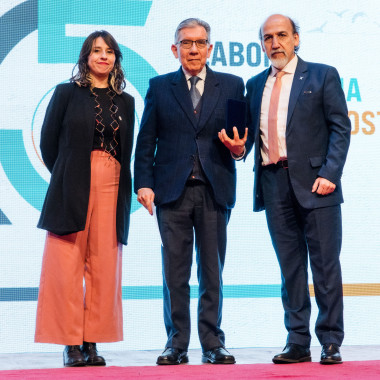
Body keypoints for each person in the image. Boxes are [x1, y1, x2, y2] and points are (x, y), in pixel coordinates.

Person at [134, 18, 247, 365]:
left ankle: (213, 342)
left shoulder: (232, 84)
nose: (193, 49)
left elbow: (241, 140)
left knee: (212, 271)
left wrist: (239, 148)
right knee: (175, 273)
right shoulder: (159, 86)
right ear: (175, 49)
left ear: (210, 48)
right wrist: (144, 183)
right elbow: (146, 141)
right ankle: (176, 343)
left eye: (200, 43)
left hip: (215, 190)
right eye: (186, 43)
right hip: (171, 192)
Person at [240, 14, 351, 364]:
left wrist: (331, 172)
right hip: (274, 184)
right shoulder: (254, 84)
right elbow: (245, 139)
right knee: (290, 269)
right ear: (262, 44)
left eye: (282, 35)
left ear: (296, 38)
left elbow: (340, 129)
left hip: (318, 185)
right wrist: (236, 149)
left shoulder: (322, 75)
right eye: (268, 37)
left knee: (325, 267)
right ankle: (297, 340)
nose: (275, 43)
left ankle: (330, 341)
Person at [34, 30, 135, 367]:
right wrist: (67, 175)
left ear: (116, 58)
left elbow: (127, 151)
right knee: (64, 266)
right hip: (71, 185)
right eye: (96, 51)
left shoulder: (127, 101)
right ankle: (70, 344)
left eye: (108, 51)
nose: (102, 56)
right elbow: (49, 144)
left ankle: (91, 342)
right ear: (85, 57)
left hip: (113, 186)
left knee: (104, 267)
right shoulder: (66, 93)